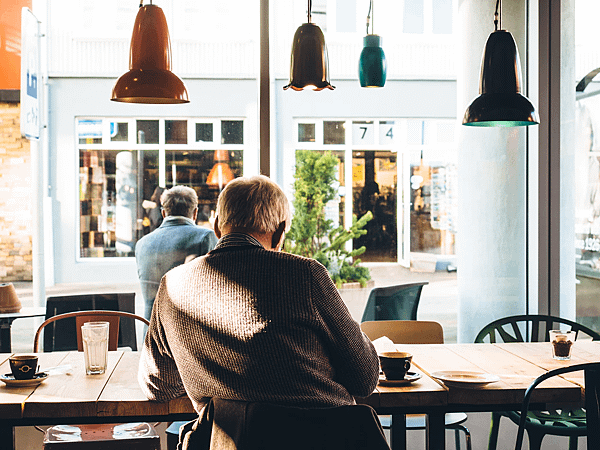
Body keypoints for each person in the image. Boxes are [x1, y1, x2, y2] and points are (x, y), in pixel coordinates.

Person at [138, 175, 379, 415]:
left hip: (228, 441)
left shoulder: (172, 285)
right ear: (280, 232)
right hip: (326, 438)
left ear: (217, 226)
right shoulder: (305, 275)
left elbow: (157, 386)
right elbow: (365, 378)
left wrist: (206, 372)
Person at [135, 185, 218, 320]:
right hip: (187, 331)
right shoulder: (205, 237)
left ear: (163, 213)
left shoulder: (142, 244)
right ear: (195, 213)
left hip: (150, 331)